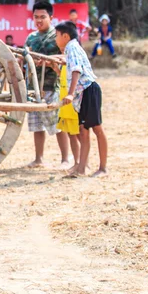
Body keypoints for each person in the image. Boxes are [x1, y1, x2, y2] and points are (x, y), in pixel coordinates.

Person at [55, 21, 108, 177]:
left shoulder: (72, 47)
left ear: (65, 36)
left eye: (57, 36)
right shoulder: (70, 49)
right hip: (83, 93)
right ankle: (81, 169)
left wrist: (70, 94)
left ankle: (103, 168)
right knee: (83, 130)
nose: (55, 39)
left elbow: (76, 70)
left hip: (88, 90)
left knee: (97, 129)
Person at [24, 1, 70, 169]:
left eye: (42, 17)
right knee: (37, 125)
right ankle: (39, 158)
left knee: (58, 124)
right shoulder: (31, 37)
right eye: (36, 17)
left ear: (51, 17)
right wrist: (29, 61)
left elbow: (66, 58)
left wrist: (51, 62)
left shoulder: (57, 37)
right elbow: (25, 57)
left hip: (53, 85)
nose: (39, 20)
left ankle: (65, 159)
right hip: (34, 87)